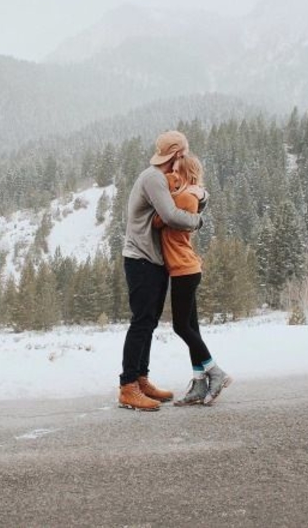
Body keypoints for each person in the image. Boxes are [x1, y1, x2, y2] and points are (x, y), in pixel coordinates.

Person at [118, 130, 205, 411]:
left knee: (149, 322)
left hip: (153, 260)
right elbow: (170, 215)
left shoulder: (163, 177)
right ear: (177, 154)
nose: (186, 157)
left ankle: (141, 379)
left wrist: (201, 195)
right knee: (142, 321)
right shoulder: (153, 178)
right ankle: (128, 386)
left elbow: (185, 195)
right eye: (184, 153)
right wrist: (198, 220)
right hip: (141, 259)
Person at [154, 154, 232, 406]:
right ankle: (199, 382)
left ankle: (215, 371)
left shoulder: (185, 197)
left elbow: (158, 220)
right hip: (185, 268)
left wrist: (165, 185)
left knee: (181, 327)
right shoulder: (189, 195)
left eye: (177, 170)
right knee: (192, 328)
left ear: (187, 173)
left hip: (183, 270)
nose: (173, 174)